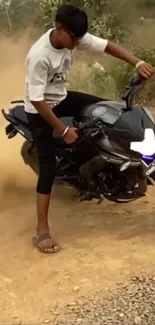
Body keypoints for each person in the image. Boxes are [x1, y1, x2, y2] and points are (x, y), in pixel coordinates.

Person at [24, 3, 154, 254]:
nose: (77, 42)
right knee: (48, 169)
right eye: (74, 37)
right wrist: (63, 130)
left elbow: (107, 46)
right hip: (39, 109)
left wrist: (136, 62)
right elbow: (38, 100)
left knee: (110, 113)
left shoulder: (73, 37)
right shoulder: (39, 56)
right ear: (60, 29)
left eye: (79, 37)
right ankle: (42, 230)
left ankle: (113, 170)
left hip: (61, 98)